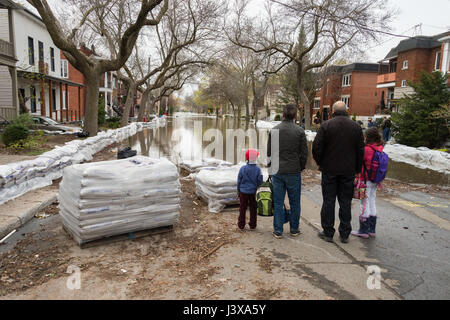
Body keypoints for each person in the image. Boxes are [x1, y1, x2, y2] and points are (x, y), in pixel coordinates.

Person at [312, 101, 365, 243]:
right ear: (346, 110)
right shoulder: (356, 127)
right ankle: (344, 233)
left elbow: (317, 147)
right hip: (348, 170)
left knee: (328, 201)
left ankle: (328, 232)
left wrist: (320, 162)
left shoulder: (326, 126)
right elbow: (361, 150)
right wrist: (357, 169)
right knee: (345, 202)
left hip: (329, 169)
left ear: (333, 111)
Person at [267, 105, 308, 239]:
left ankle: (278, 230)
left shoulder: (274, 130)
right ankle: (294, 229)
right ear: (295, 116)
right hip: (293, 170)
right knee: (295, 201)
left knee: (278, 202)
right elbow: (304, 153)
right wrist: (300, 166)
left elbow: (269, 153)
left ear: (283, 115)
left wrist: (270, 169)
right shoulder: (299, 131)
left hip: (278, 170)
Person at [351, 127, 384, 239]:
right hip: (375, 180)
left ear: (367, 137)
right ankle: (371, 230)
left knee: (364, 203)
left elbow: (358, 162)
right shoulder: (379, 148)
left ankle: (363, 230)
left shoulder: (366, 150)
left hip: (366, 180)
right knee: (372, 201)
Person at [237, 149, 263, 231]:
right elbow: (260, 181)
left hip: (243, 192)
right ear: (255, 158)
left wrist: (238, 190)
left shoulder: (242, 168)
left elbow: (239, 181)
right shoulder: (258, 169)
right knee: (253, 208)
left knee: (242, 208)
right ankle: (252, 225)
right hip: (253, 192)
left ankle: (241, 225)